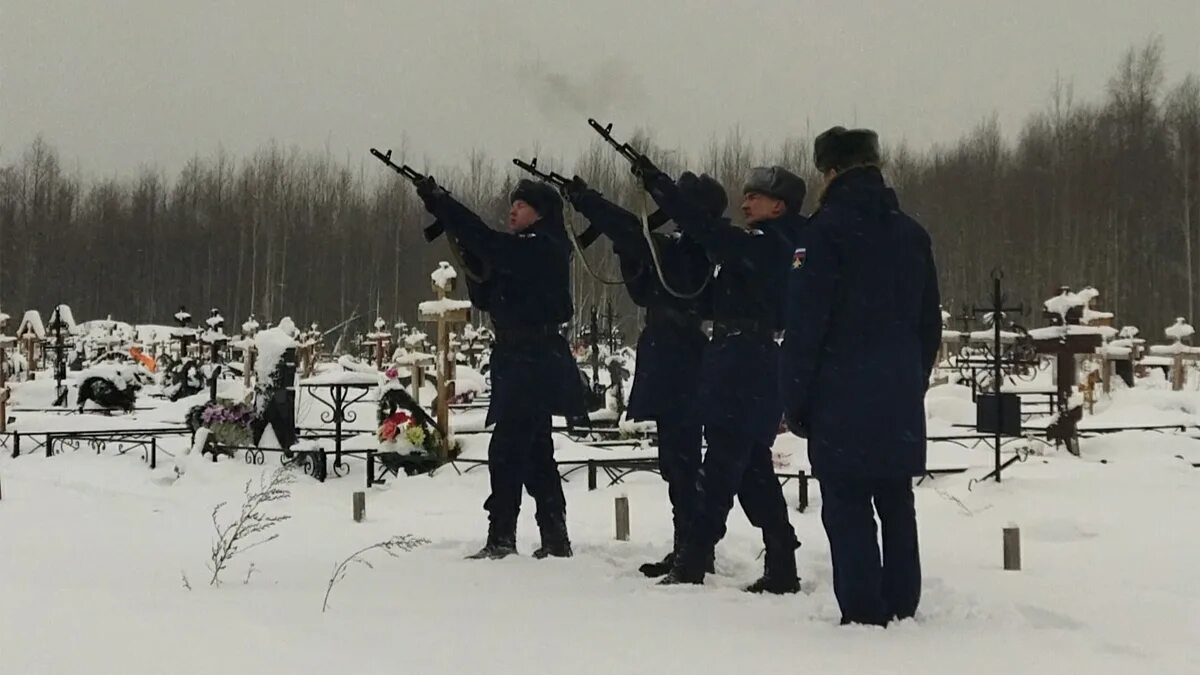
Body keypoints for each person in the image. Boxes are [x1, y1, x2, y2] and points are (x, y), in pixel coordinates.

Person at [780, 126, 942, 626]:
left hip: (839, 389)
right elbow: (928, 324)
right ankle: (903, 602)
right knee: (896, 499)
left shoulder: (822, 234)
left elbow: (806, 324)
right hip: (895, 389)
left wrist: (796, 398)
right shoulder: (912, 233)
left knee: (847, 503)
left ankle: (864, 611)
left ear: (830, 172)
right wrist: (909, 379)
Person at [636, 161, 807, 593]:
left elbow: (709, 233)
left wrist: (663, 191)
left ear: (779, 206)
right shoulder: (771, 242)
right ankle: (782, 562)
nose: (745, 201)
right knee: (750, 469)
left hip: (746, 360)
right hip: (742, 356)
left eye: (755, 196)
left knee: (721, 467)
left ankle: (694, 560)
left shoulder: (770, 242)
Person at [416, 176, 587, 560]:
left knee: (508, 448)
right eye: (513, 204)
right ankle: (554, 534)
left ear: (540, 214)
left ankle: (503, 535)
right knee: (536, 449)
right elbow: (489, 292)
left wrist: (445, 206)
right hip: (517, 354)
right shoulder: (528, 248)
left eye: (522, 205)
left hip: (533, 355)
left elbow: (489, 241)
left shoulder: (543, 245)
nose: (513, 210)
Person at [562, 172, 722, 577]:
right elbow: (642, 282)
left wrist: (589, 202)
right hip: (671, 352)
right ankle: (687, 544)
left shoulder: (696, 250)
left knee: (683, 461)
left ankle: (694, 548)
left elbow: (632, 232)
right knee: (676, 459)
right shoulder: (688, 248)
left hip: (679, 356)